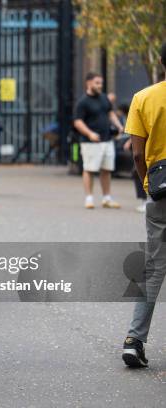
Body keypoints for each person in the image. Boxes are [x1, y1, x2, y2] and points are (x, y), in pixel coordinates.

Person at [121, 42, 166, 368]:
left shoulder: (144, 98)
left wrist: (148, 184)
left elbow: (137, 154)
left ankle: (134, 340)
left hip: (161, 190)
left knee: (153, 268)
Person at [73, 72, 124, 209]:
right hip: (90, 142)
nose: (100, 85)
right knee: (89, 169)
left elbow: (110, 113)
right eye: (97, 83)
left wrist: (119, 126)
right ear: (88, 83)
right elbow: (78, 122)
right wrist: (89, 134)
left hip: (107, 139)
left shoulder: (104, 98)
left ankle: (106, 198)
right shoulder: (82, 102)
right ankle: (89, 198)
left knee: (106, 169)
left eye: (101, 83)